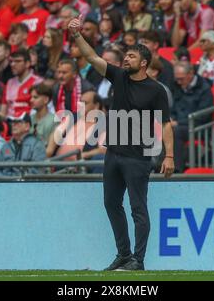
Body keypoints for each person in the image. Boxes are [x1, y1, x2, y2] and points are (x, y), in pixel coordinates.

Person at [68, 15, 174, 271]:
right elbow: (93, 58)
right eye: (125, 56)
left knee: (138, 208)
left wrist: (169, 156)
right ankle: (124, 255)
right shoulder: (119, 77)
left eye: (132, 57)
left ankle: (138, 259)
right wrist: (76, 35)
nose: (126, 59)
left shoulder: (156, 90)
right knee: (111, 203)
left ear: (144, 63)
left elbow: (166, 124)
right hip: (113, 153)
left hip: (137, 157)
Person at [171, 62, 214, 172]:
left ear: (190, 74)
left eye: (181, 79)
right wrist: (171, 118)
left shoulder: (204, 89)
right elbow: (173, 107)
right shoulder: (177, 85)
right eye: (177, 79)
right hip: (180, 124)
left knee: (175, 131)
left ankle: (176, 169)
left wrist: (178, 122)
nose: (178, 82)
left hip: (199, 127)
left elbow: (202, 116)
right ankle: (153, 165)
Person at [0, 49, 38, 119]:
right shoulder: (9, 83)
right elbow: (3, 111)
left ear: (27, 64)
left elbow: (39, 111)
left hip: (28, 123)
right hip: (9, 123)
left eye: (17, 61)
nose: (13, 64)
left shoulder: (37, 82)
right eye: (11, 61)